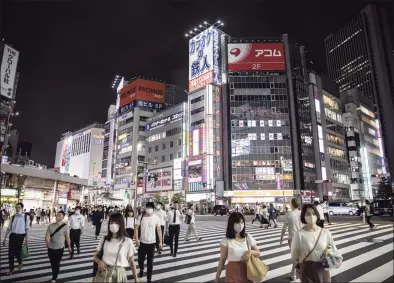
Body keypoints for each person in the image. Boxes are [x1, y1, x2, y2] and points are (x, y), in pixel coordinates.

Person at [291, 203, 337, 283]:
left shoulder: (325, 232)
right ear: (303, 216)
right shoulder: (299, 234)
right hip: (307, 271)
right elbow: (294, 255)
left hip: (323, 270)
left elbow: (334, 251)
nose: (311, 216)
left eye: (313, 213)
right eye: (308, 214)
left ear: (317, 215)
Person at [215, 212, 260, 283]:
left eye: (242, 222)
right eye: (237, 223)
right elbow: (222, 260)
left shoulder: (248, 237)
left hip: (248, 270)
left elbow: (258, 253)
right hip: (233, 272)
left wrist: (250, 252)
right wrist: (217, 278)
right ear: (231, 224)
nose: (240, 225)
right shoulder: (226, 240)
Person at [93, 213, 139, 282]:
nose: (113, 225)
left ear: (121, 225)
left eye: (116, 223)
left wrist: (136, 278)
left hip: (119, 274)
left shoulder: (127, 241)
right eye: (111, 223)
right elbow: (95, 256)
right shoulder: (104, 239)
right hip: (104, 272)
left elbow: (132, 262)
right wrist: (99, 262)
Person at [135, 202, 162, 283]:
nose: (149, 209)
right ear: (146, 208)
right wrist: (136, 239)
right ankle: (142, 268)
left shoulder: (156, 218)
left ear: (153, 209)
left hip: (152, 243)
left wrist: (160, 242)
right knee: (140, 260)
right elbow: (136, 228)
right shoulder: (141, 217)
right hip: (142, 243)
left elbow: (159, 230)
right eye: (148, 207)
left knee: (150, 262)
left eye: (151, 207)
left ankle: (149, 279)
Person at [2, 202, 30, 275]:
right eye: (16, 207)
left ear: (22, 208)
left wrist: (27, 238)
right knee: (10, 254)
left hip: (20, 236)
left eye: (19, 207)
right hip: (13, 236)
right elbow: (8, 228)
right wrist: (5, 238)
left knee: (17, 252)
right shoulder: (13, 217)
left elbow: (27, 228)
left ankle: (20, 261)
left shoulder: (26, 217)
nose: (17, 209)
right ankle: (11, 269)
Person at [280, 197, 303, 281]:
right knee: (298, 257)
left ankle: (294, 274)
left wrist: (281, 237)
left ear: (292, 204)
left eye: (290, 202)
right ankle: (293, 273)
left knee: (295, 257)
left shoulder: (288, 214)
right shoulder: (302, 213)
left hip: (292, 238)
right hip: (302, 237)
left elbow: (284, 228)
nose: (289, 204)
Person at [45, 211, 71, 283]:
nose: (57, 216)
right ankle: (54, 273)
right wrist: (47, 242)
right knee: (52, 262)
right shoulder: (51, 226)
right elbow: (47, 236)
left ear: (63, 217)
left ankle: (54, 277)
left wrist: (69, 246)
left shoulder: (65, 226)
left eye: (60, 215)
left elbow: (67, 237)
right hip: (51, 248)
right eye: (57, 215)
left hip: (60, 248)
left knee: (56, 262)